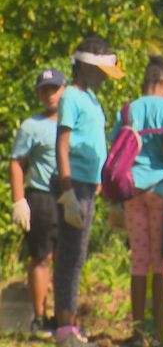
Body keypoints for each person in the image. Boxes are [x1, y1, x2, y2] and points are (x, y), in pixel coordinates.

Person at [109, 57, 163, 346]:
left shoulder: (128, 109)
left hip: (132, 190)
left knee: (138, 261)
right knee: (161, 265)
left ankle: (137, 334)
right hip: (162, 189)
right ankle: (159, 336)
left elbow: (116, 148)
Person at [54, 36, 124, 346]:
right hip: (74, 185)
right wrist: (67, 189)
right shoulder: (71, 96)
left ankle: (71, 323)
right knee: (70, 255)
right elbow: (63, 144)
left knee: (79, 254)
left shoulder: (92, 99)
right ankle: (64, 327)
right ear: (84, 66)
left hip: (88, 186)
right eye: (100, 72)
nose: (103, 80)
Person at [9, 69, 66, 337]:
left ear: (64, 90)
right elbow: (17, 162)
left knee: (67, 259)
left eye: (55, 88)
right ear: (38, 94)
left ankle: (65, 317)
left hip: (70, 195)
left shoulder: (75, 122)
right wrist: (19, 200)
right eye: (45, 90)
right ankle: (40, 317)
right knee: (41, 256)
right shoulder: (31, 125)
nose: (50, 94)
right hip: (41, 196)